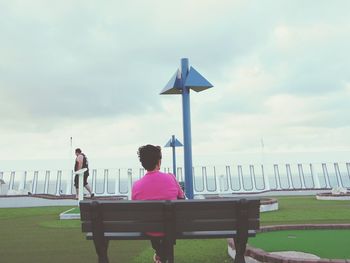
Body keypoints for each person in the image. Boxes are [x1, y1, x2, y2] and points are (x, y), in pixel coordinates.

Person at [132, 144, 185, 263]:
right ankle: (162, 255)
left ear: (143, 163)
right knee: (167, 222)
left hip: (149, 228)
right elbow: (182, 199)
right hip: (171, 226)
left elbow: (136, 211)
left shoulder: (136, 186)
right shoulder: (171, 178)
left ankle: (160, 254)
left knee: (152, 223)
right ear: (159, 161)